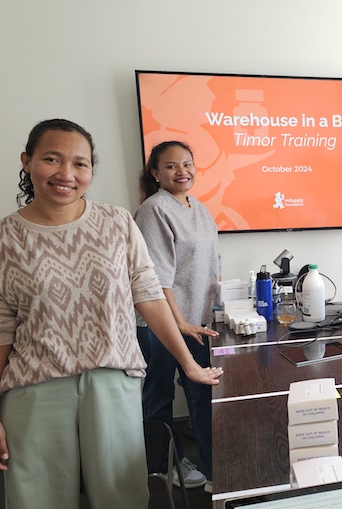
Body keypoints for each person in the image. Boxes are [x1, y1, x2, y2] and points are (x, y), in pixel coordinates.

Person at [0, 119, 224, 509]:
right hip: (35, 390)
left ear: (91, 170)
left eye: (80, 164)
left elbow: (148, 297)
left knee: (121, 496)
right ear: (27, 161)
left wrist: (188, 364)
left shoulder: (117, 222)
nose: (66, 174)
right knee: (38, 500)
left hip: (113, 381)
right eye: (52, 159)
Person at [134, 140, 220, 491]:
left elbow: (207, 265)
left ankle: (215, 470)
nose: (181, 171)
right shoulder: (155, 209)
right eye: (171, 166)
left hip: (194, 321)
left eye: (187, 163)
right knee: (159, 397)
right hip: (160, 324)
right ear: (155, 173)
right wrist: (179, 322)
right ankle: (164, 466)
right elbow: (156, 278)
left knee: (202, 394)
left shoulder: (197, 206)